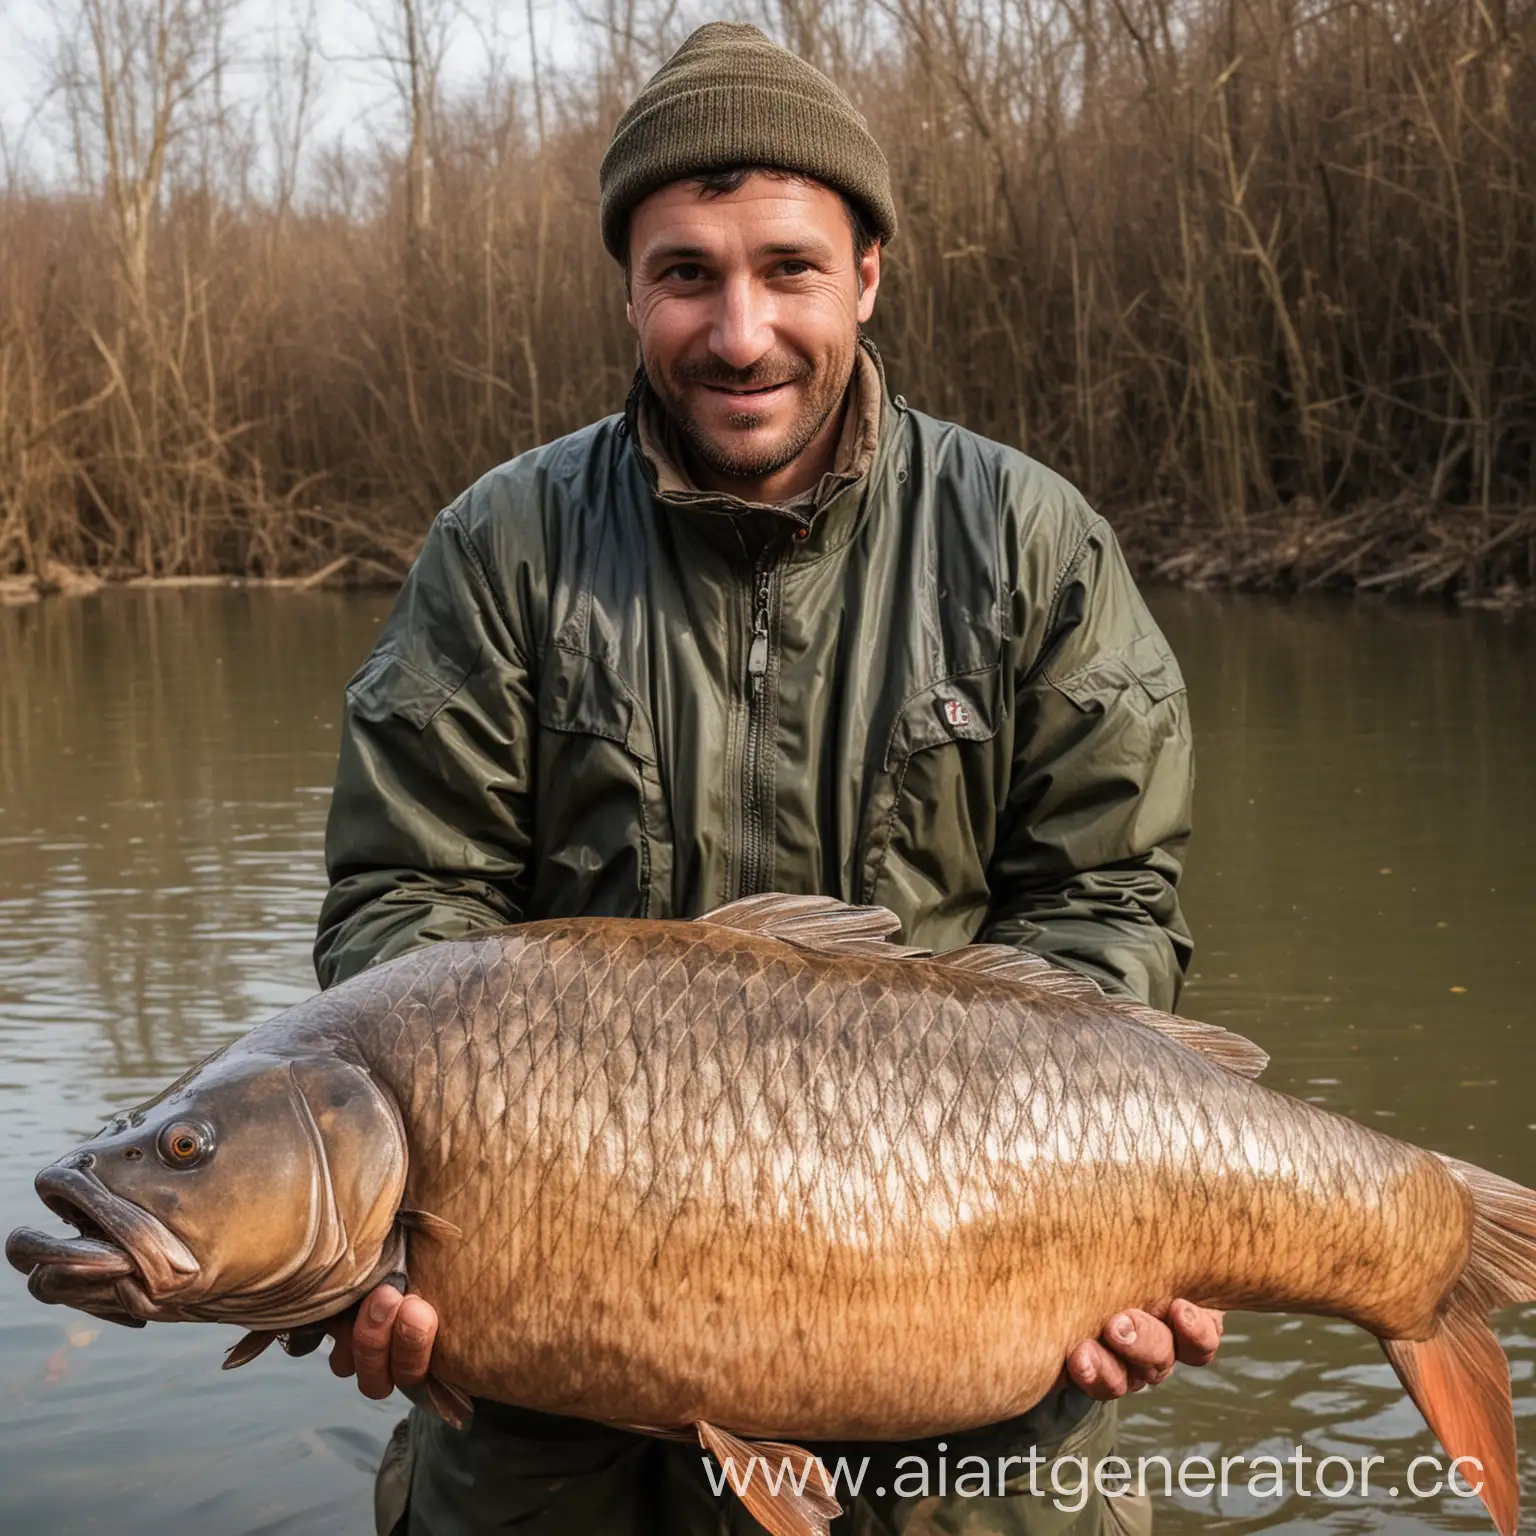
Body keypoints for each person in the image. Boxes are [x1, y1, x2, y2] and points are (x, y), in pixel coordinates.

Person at [314, 21, 1222, 1536]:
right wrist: (393, 1224)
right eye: (688, 274)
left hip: (960, 1395)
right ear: (629, 287)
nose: (739, 332)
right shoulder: (502, 549)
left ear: (869, 272)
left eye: (788, 268)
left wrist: (1099, 1222)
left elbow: (1108, 900)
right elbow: (407, 908)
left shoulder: (1029, 539)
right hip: (558, 1419)